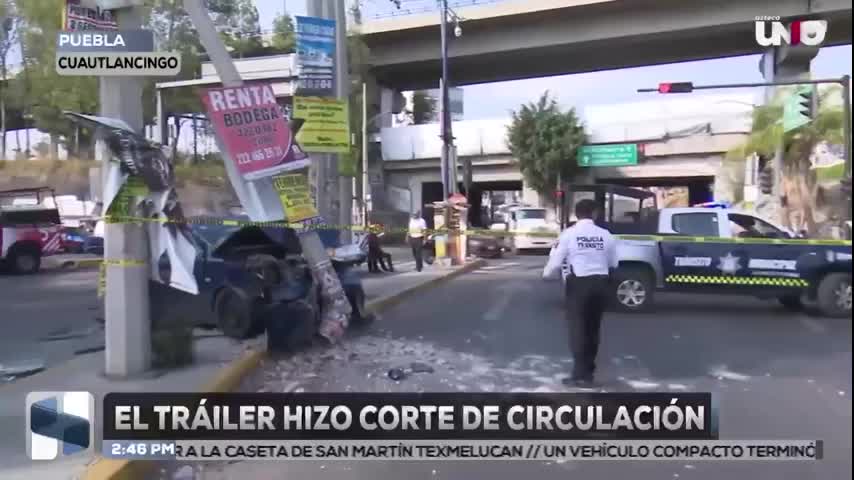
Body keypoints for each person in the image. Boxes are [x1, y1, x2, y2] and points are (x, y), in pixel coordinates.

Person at [542, 199, 618, 388]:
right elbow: (614, 263)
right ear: (594, 213)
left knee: (578, 330)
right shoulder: (606, 235)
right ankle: (589, 374)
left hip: (579, 284)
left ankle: (579, 375)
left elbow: (557, 260)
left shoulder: (569, 234)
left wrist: (546, 275)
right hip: (601, 283)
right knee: (593, 330)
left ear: (576, 214)